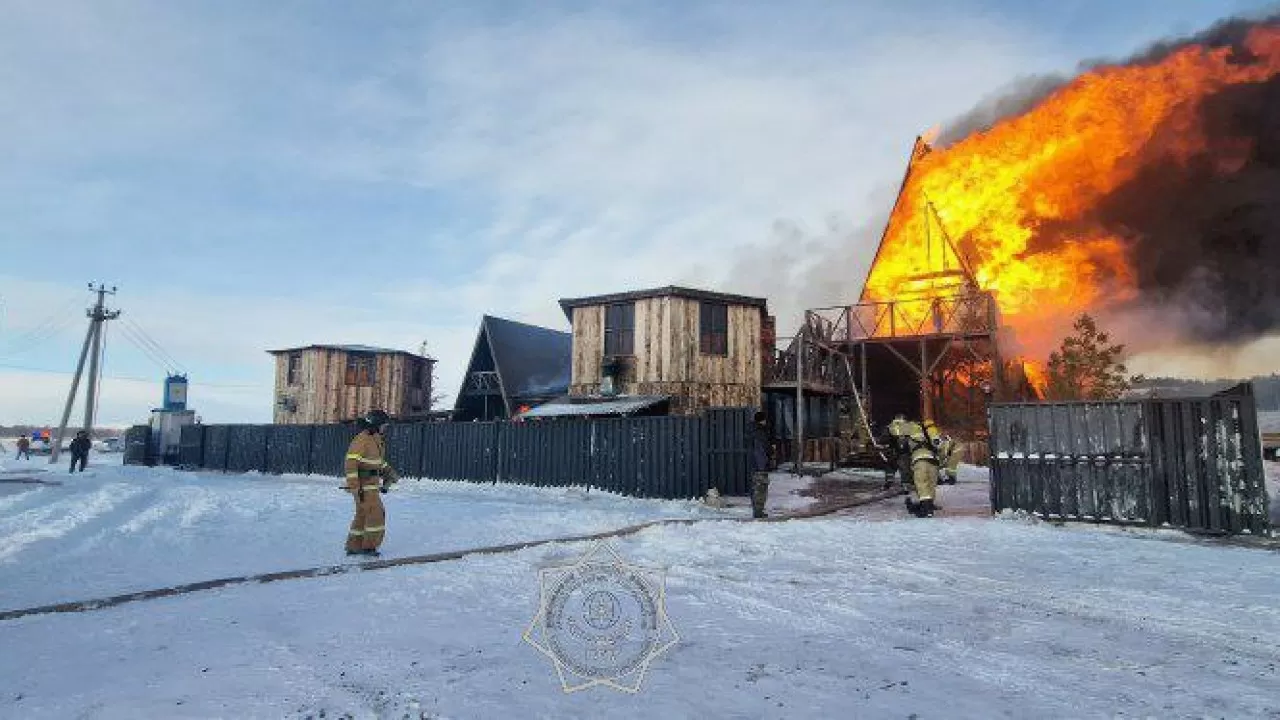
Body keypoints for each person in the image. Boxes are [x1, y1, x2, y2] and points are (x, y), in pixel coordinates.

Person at [343, 409, 400, 557]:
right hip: (363, 486)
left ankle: (354, 546)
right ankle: (369, 547)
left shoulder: (375, 439)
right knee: (376, 515)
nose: (385, 428)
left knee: (363, 515)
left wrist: (390, 472)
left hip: (370, 486)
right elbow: (350, 463)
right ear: (375, 425)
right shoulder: (363, 439)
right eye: (383, 425)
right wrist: (355, 486)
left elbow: (377, 463)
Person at [750, 410, 772, 519]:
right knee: (761, 488)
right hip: (760, 464)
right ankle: (758, 511)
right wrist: (765, 463)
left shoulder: (753, 430)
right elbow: (762, 450)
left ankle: (757, 509)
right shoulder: (760, 432)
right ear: (762, 420)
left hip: (754, 463)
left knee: (755, 487)